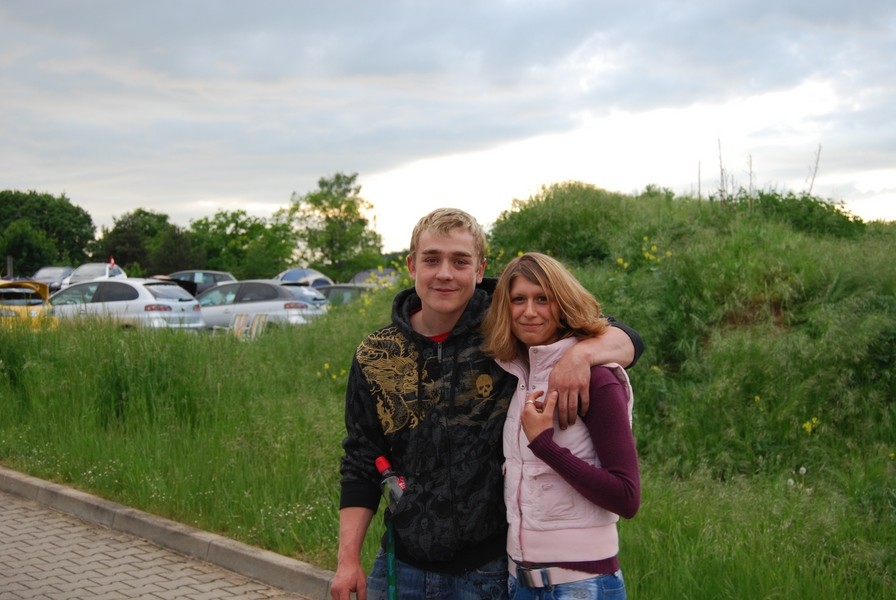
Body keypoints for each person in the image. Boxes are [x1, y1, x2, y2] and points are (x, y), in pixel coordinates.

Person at [331, 209, 643, 600]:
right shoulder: (376, 354)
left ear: (480, 269)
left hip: (491, 570)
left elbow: (622, 336)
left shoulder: (511, 327)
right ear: (412, 266)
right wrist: (348, 561)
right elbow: (361, 459)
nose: (445, 273)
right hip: (403, 565)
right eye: (432, 259)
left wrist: (581, 355)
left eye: (460, 261)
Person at [482, 252, 640, 599]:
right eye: (518, 300)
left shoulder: (596, 379)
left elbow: (627, 497)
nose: (529, 311)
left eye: (543, 299)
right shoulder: (516, 375)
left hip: (581, 585)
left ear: (563, 304)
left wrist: (544, 445)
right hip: (520, 581)